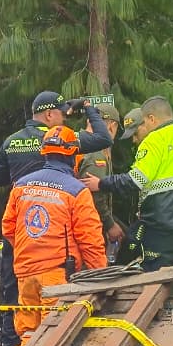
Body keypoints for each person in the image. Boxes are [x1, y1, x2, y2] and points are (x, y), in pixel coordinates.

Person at [0, 91, 112, 346]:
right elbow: (90, 239)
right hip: (57, 273)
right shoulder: (75, 190)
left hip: (24, 269)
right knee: (54, 334)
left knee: (29, 331)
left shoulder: (20, 182)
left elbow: (8, 225)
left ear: (45, 151)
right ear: (73, 154)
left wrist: (27, 248)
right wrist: (99, 277)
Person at [84, 96, 173, 274]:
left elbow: (135, 180)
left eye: (145, 123)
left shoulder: (155, 140)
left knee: (159, 280)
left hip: (165, 226)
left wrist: (101, 183)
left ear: (151, 119)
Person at [74, 104, 126, 260]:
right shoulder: (95, 151)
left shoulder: (81, 142)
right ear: (112, 125)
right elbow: (94, 195)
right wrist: (110, 225)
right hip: (89, 225)